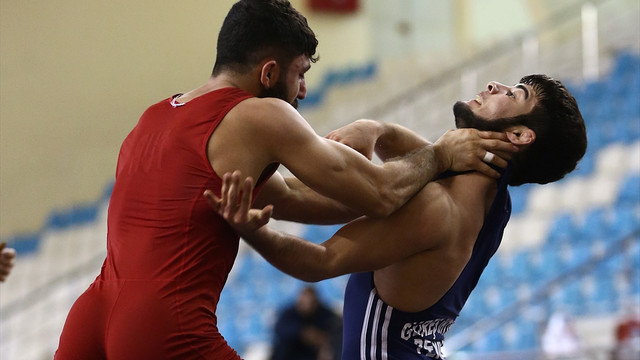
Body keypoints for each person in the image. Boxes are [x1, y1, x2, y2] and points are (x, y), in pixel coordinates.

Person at [54, 1, 515, 359]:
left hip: (91, 314)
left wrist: (384, 154)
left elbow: (301, 199)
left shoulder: (155, 117)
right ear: (269, 72)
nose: (303, 91)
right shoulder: (260, 115)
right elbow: (378, 194)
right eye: (300, 74)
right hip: (161, 325)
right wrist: (438, 154)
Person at [206, 74, 587, 359]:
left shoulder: (439, 209)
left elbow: (320, 261)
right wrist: (373, 127)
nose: (494, 85)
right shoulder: (493, 201)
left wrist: (249, 230)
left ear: (519, 136)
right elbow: (422, 157)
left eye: (513, 94)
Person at [271, 286, 342, 360]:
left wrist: (323, 339)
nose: (307, 307)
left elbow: (338, 329)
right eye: (304, 303)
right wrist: (303, 333)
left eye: (311, 303)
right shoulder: (289, 313)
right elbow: (279, 330)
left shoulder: (325, 314)